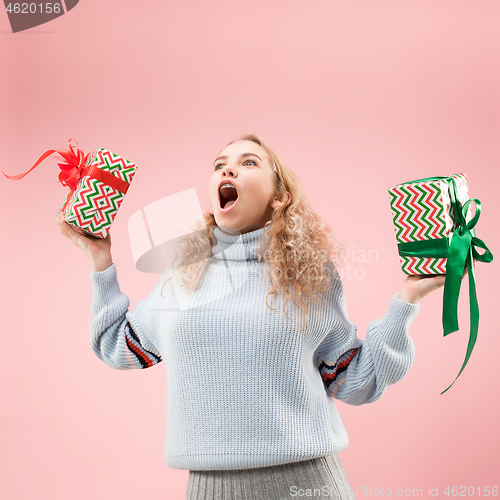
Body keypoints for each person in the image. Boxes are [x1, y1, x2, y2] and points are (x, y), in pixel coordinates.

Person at [55, 133, 470, 500]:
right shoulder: (180, 274)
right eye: (220, 165)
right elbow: (117, 344)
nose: (228, 169)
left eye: (248, 163)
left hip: (308, 485)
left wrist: (408, 297)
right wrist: (100, 259)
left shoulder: (309, 276)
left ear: (279, 196)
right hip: (208, 488)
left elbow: (355, 381)